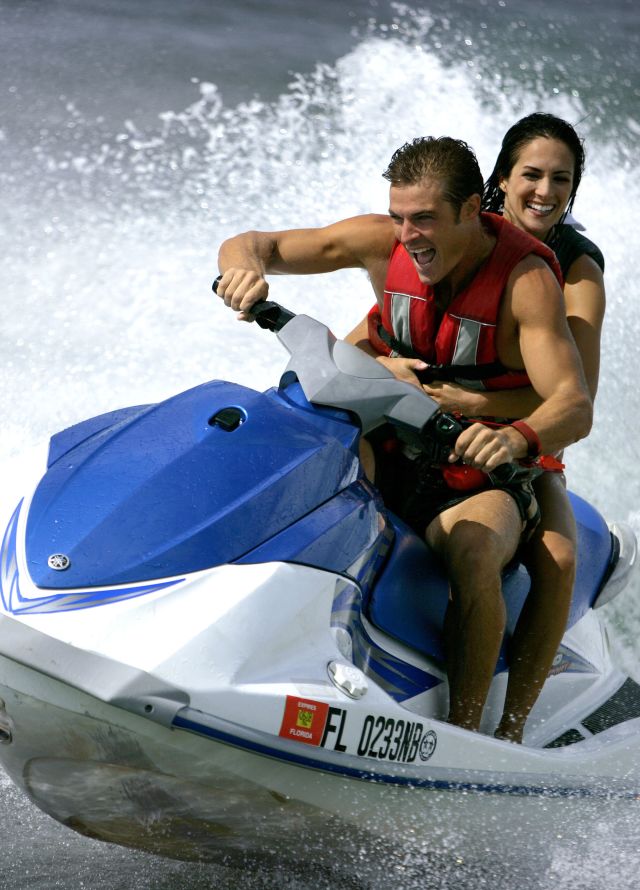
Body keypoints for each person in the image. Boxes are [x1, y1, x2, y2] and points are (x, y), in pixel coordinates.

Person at [215, 135, 593, 737]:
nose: (408, 235)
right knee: (297, 461)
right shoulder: (380, 240)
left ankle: (471, 735)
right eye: (399, 218)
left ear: (471, 209)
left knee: (477, 549)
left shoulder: (528, 280)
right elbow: (257, 244)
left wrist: (517, 437)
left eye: (424, 219)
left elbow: (573, 404)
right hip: (389, 439)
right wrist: (243, 269)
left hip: (475, 467)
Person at [411, 115, 605, 741]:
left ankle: (511, 731)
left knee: (559, 556)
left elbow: (574, 397)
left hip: (523, 436)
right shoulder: (461, 232)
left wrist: (477, 402)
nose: (545, 191)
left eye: (561, 179)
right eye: (532, 174)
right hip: (429, 418)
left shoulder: (575, 268)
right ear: (500, 179)